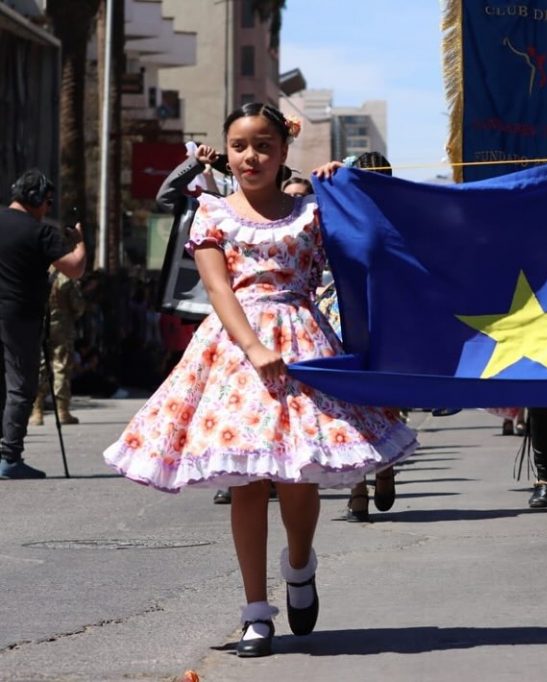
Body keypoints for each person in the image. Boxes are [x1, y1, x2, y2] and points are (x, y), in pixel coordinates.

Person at [102, 103, 417, 658]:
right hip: (234, 351)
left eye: (264, 145)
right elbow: (218, 289)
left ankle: (300, 564)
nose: (252, 156)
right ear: (227, 150)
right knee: (246, 481)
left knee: (297, 478)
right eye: (242, 145)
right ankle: (254, 610)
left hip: (304, 347)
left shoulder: (312, 212)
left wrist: (345, 184)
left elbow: (373, 244)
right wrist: (252, 345)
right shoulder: (212, 213)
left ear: (284, 151)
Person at [311, 151, 400, 522]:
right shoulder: (390, 213)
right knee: (372, 399)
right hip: (366, 314)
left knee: (359, 400)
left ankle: (367, 484)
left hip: (361, 314)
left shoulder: (384, 212)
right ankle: (372, 478)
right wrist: (330, 180)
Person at [0, 170, 86, 479]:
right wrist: (78, 243)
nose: (48, 208)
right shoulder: (41, 232)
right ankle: (9, 457)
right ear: (36, 199)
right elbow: (74, 269)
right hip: (19, 317)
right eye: (48, 201)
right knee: (21, 386)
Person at [30, 269, 85, 425]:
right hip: (62, 326)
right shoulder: (66, 275)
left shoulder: (35, 273)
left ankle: (37, 411)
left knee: (40, 365)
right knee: (61, 366)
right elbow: (78, 305)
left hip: (39, 324)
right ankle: (62, 411)